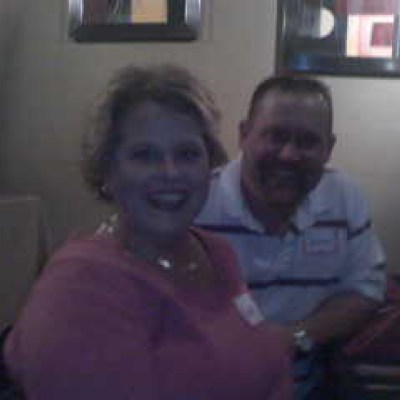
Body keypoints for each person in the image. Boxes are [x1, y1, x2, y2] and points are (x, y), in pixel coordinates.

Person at [3, 65, 292, 400]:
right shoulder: (76, 292)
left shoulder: (218, 253)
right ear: (107, 171)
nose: (170, 172)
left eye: (187, 154)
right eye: (144, 155)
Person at [195, 74, 387, 399]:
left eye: (308, 141)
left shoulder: (345, 198)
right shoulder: (197, 202)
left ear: (328, 149)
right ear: (244, 135)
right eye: (275, 136)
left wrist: (295, 337)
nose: (288, 154)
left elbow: (364, 292)